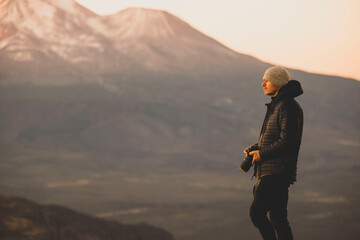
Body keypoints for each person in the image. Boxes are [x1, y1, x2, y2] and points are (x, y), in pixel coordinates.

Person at [244, 66, 303, 240]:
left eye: (267, 80)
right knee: (278, 218)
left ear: (277, 82)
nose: (262, 84)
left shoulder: (287, 106)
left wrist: (261, 154)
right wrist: (256, 148)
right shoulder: (277, 105)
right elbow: (276, 138)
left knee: (257, 213)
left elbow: (288, 141)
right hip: (274, 170)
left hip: (278, 171)